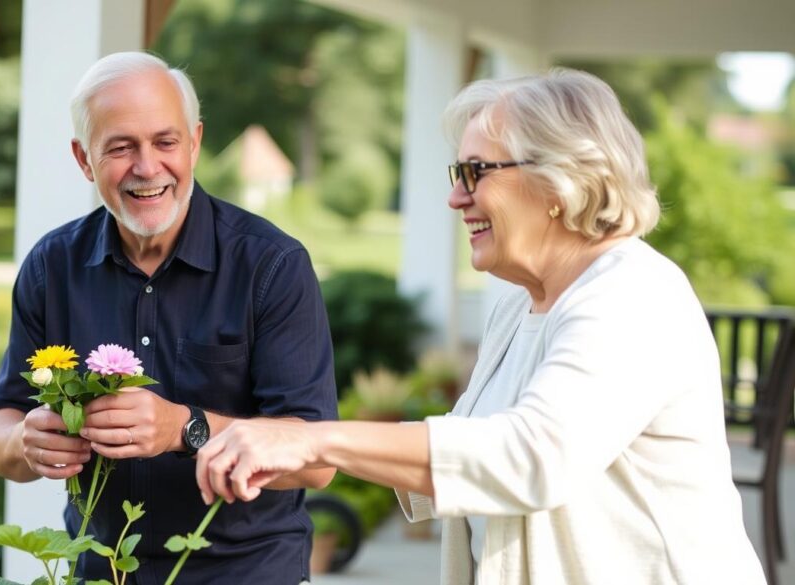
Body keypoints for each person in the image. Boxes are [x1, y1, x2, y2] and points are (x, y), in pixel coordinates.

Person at [195, 69, 767, 585]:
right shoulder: (519, 307)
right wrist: (301, 453)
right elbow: (470, 454)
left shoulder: (631, 294)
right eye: (457, 172)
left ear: (559, 178)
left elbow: (528, 457)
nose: (454, 197)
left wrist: (312, 437)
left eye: (475, 172)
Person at [0, 51, 337, 584]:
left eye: (165, 142)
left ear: (194, 142)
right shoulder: (51, 267)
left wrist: (185, 427)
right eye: (120, 148)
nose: (147, 168)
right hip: (101, 570)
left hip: (244, 572)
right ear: (84, 159)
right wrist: (24, 443)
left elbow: (316, 459)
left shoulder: (272, 265)